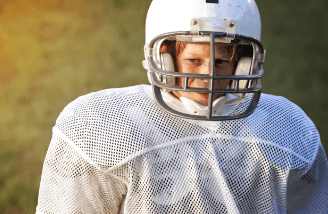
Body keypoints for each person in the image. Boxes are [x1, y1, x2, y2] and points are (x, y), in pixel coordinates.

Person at [36, 0, 328, 213]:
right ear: (164, 58)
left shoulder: (288, 126)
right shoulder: (104, 124)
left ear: (242, 63)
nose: (208, 75)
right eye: (194, 60)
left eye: (221, 61)